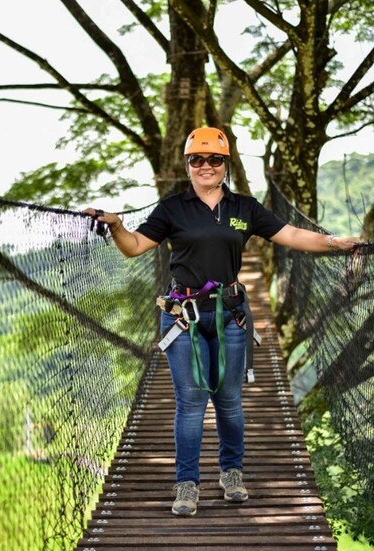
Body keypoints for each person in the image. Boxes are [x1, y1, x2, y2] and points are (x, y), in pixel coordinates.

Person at [83, 126, 360, 517]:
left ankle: (231, 473)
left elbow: (291, 234)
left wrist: (334, 242)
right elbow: (134, 247)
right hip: (184, 317)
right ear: (188, 165)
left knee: (229, 400)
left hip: (230, 314)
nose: (206, 166)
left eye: (214, 159)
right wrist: (115, 226)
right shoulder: (172, 209)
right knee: (191, 401)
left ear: (225, 164)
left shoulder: (244, 208)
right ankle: (187, 484)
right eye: (197, 159)